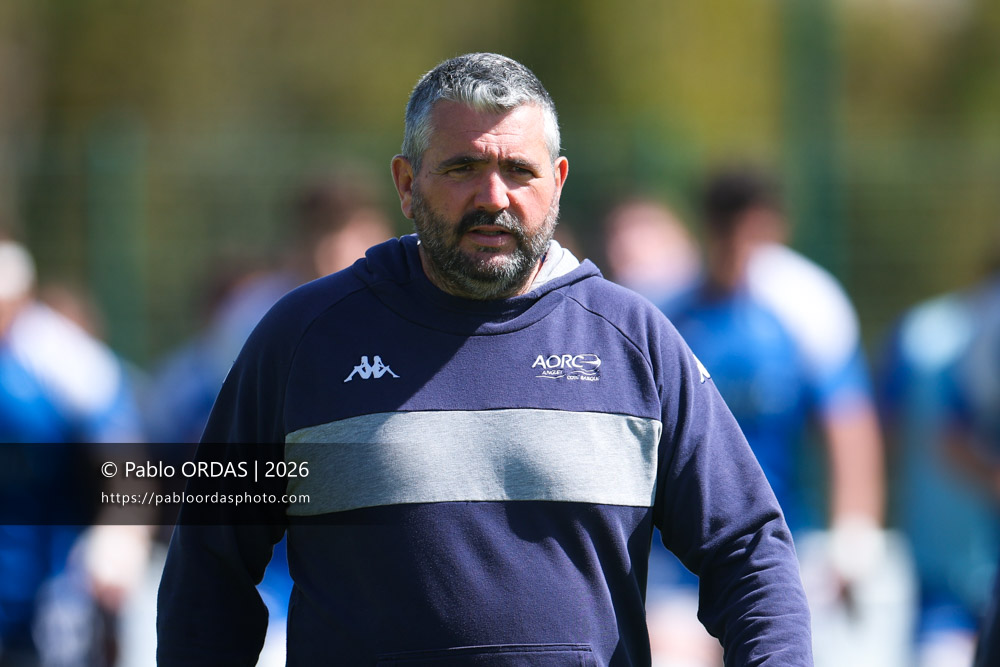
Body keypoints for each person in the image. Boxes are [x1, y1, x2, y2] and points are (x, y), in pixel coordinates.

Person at [156, 53, 813, 665]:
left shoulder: (634, 340)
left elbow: (748, 548)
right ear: (407, 183)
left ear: (555, 183)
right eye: (463, 167)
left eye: (518, 170)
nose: (493, 196)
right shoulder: (300, 339)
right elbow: (208, 564)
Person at [660, 166, 912, 666]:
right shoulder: (670, 313)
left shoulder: (805, 307)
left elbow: (850, 430)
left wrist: (852, 538)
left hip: (779, 555)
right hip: (679, 566)